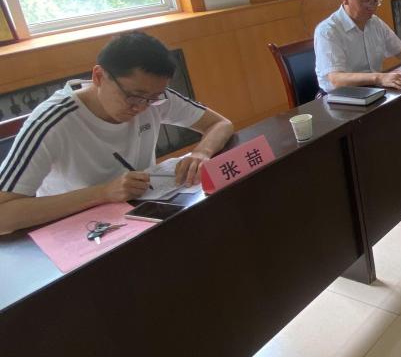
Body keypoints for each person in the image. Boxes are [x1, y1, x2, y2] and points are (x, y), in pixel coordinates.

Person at [0, 32, 234, 234]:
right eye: (133, 96)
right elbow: (4, 215)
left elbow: (220, 124)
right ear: (99, 77)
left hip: (143, 213)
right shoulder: (52, 122)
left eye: (152, 98)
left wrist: (202, 152)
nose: (141, 107)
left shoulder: (155, 97)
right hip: (82, 230)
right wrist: (103, 193)